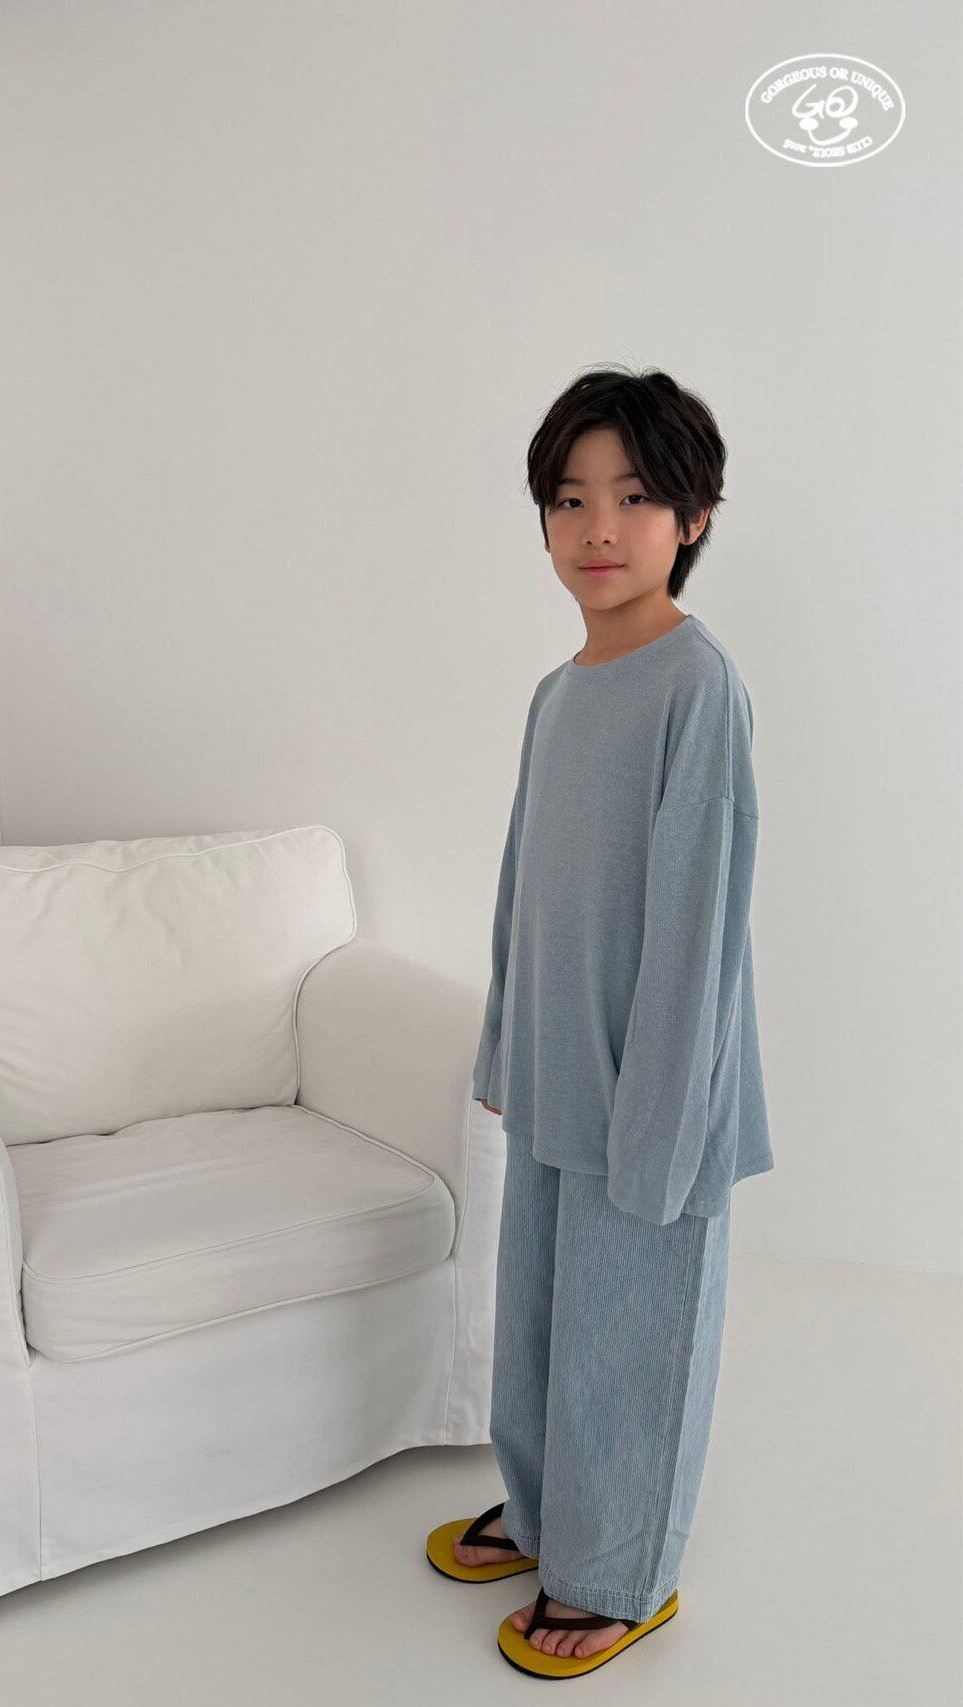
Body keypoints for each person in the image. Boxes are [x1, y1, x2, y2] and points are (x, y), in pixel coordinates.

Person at [453, 366, 773, 1679]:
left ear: (692, 518)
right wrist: (502, 1044)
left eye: (636, 498)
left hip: (655, 1083)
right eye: (572, 499)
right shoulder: (560, 692)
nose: (600, 528)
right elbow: (523, 885)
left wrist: (663, 1115)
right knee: (539, 1315)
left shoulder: (698, 687)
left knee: (632, 1333)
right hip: (557, 1065)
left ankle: (618, 1572)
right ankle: (545, 1516)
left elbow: (701, 927)